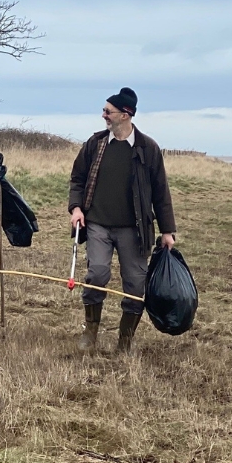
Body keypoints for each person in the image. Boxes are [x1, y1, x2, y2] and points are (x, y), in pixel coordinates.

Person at [68, 87, 176, 354]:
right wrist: (76, 208)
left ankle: (124, 341)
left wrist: (167, 230)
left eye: (108, 111)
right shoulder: (94, 144)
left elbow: (161, 192)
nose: (103, 115)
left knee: (135, 285)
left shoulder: (147, 149)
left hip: (135, 230)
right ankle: (90, 334)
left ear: (126, 115)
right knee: (97, 274)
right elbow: (77, 179)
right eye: (104, 110)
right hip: (97, 225)